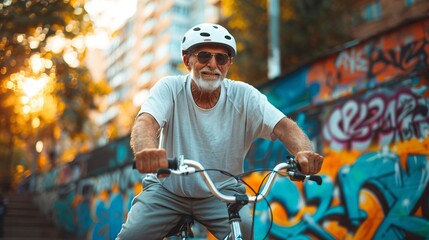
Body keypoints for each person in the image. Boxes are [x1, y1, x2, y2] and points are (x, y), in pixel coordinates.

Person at [116, 23, 323, 240]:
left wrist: (304, 152)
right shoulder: (169, 88)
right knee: (131, 236)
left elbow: (285, 126)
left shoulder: (244, 96)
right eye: (204, 56)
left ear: (228, 64)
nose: (212, 64)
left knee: (247, 234)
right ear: (188, 61)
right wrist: (147, 151)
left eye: (221, 58)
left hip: (222, 194)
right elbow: (146, 122)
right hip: (167, 190)